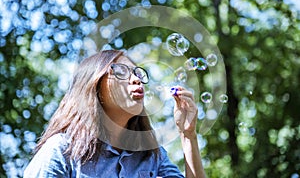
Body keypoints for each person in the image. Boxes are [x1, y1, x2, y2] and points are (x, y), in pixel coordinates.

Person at [23, 50, 206, 178]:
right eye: (121, 71)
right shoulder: (61, 151)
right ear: (94, 85)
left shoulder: (151, 156)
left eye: (137, 73)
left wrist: (188, 135)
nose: (136, 79)